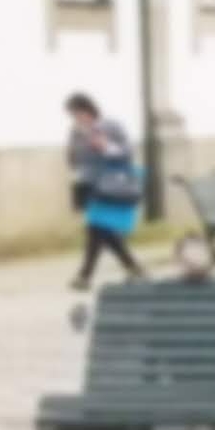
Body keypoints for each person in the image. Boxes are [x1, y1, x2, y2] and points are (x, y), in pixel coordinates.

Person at [63, 94, 147, 289]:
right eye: (73, 115)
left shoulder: (111, 125)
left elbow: (127, 152)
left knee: (97, 228)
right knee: (102, 230)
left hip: (112, 184)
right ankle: (133, 268)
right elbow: (75, 160)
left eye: (78, 113)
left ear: (89, 110)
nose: (76, 118)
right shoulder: (75, 132)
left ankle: (85, 276)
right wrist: (74, 151)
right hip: (91, 185)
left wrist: (106, 147)